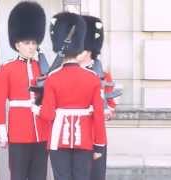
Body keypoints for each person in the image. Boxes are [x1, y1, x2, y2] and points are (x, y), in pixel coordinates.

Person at [37, 12, 107, 180]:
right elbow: (98, 116)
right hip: (84, 139)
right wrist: (99, 146)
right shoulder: (92, 78)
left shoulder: (53, 77)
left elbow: (48, 114)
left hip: (58, 139)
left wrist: (35, 107)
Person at [0, 2, 48, 180]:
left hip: (42, 130)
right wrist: (0, 130)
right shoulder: (7, 68)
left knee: (39, 176)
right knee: (18, 175)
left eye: (34, 42)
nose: (31, 46)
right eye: (27, 42)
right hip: (18, 131)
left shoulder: (43, 68)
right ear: (17, 45)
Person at [79, 15, 117, 180]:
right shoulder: (68, 71)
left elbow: (110, 103)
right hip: (76, 134)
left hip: (97, 135)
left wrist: (109, 111)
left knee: (97, 175)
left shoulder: (103, 74)